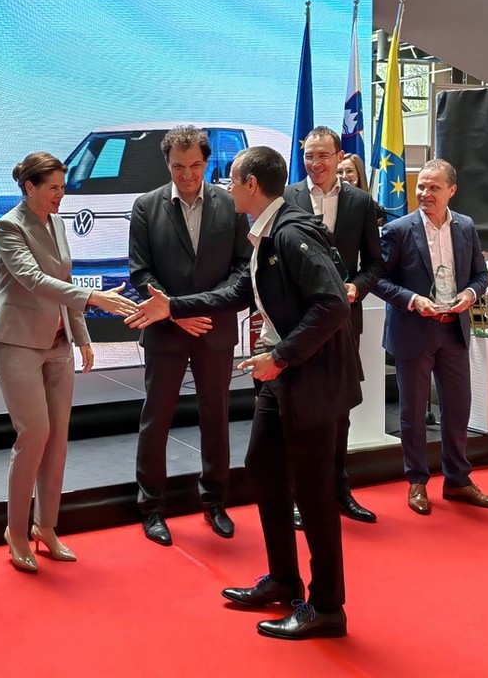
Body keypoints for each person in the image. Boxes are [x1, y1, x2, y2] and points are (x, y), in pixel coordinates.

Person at [127, 146, 361, 640]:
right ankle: (283, 579)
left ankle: (327, 608)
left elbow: (333, 306)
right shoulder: (267, 231)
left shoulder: (291, 233)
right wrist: (174, 307)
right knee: (264, 469)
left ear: (252, 185)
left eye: (232, 180)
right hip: (284, 377)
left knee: (314, 495)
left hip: (310, 379)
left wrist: (282, 356)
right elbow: (240, 294)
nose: (225, 187)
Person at [0, 152, 139, 572]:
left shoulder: (56, 222)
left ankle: (46, 526)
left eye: (63, 186)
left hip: (58, 344)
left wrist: (83, 337)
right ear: (29, 187)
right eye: (54, 187)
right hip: (18, 342)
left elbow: (64, 281)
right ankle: (16, 532)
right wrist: (94, 299)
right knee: (34, 434)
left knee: (57, 438)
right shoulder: (8, 226)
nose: (62, 194)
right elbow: (34, 280)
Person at [128, 125, 251, 545]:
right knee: (156, 418)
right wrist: (176, 314)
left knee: (216, 417)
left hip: (214, 329)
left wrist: (198, 307)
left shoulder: (230, 204)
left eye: (195, 165)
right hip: (166, 331)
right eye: (178, 166)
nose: (187, 174)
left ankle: (215, 502)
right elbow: (140, 273)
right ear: (167, 163)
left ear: (207, 162)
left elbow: (242, 268)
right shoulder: (146, 206)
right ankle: (151, 507)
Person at [373, 159, 488, 515]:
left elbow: (480, 275)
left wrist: (471, 295)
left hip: (453, 330)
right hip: (413, 329)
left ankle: (457, 481)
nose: (425, 193)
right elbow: (377, 280)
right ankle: (417, 481)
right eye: (421, 186)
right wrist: (413, 300)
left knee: (458, 408)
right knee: (414, 413)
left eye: (434, 187)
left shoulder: (466, 226)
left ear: (451, 191)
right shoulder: (398, 230)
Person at [283, 127, 384, 527]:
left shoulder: (360, 202)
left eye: (323, 155)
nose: (315, 163)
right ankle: (298, 496)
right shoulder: (287, 197)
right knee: (297, 412)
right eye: (309, 156)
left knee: (340, 409)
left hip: (343, 320)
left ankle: (340, 491)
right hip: (297, 323)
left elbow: (375, 263)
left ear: (339, 156)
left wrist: (356, 287)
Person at [337, 152, 387, 227]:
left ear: (359, 173)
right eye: (339, 172)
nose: (344, 176)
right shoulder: (330, 203)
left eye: (349, 171)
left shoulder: (375, 208)